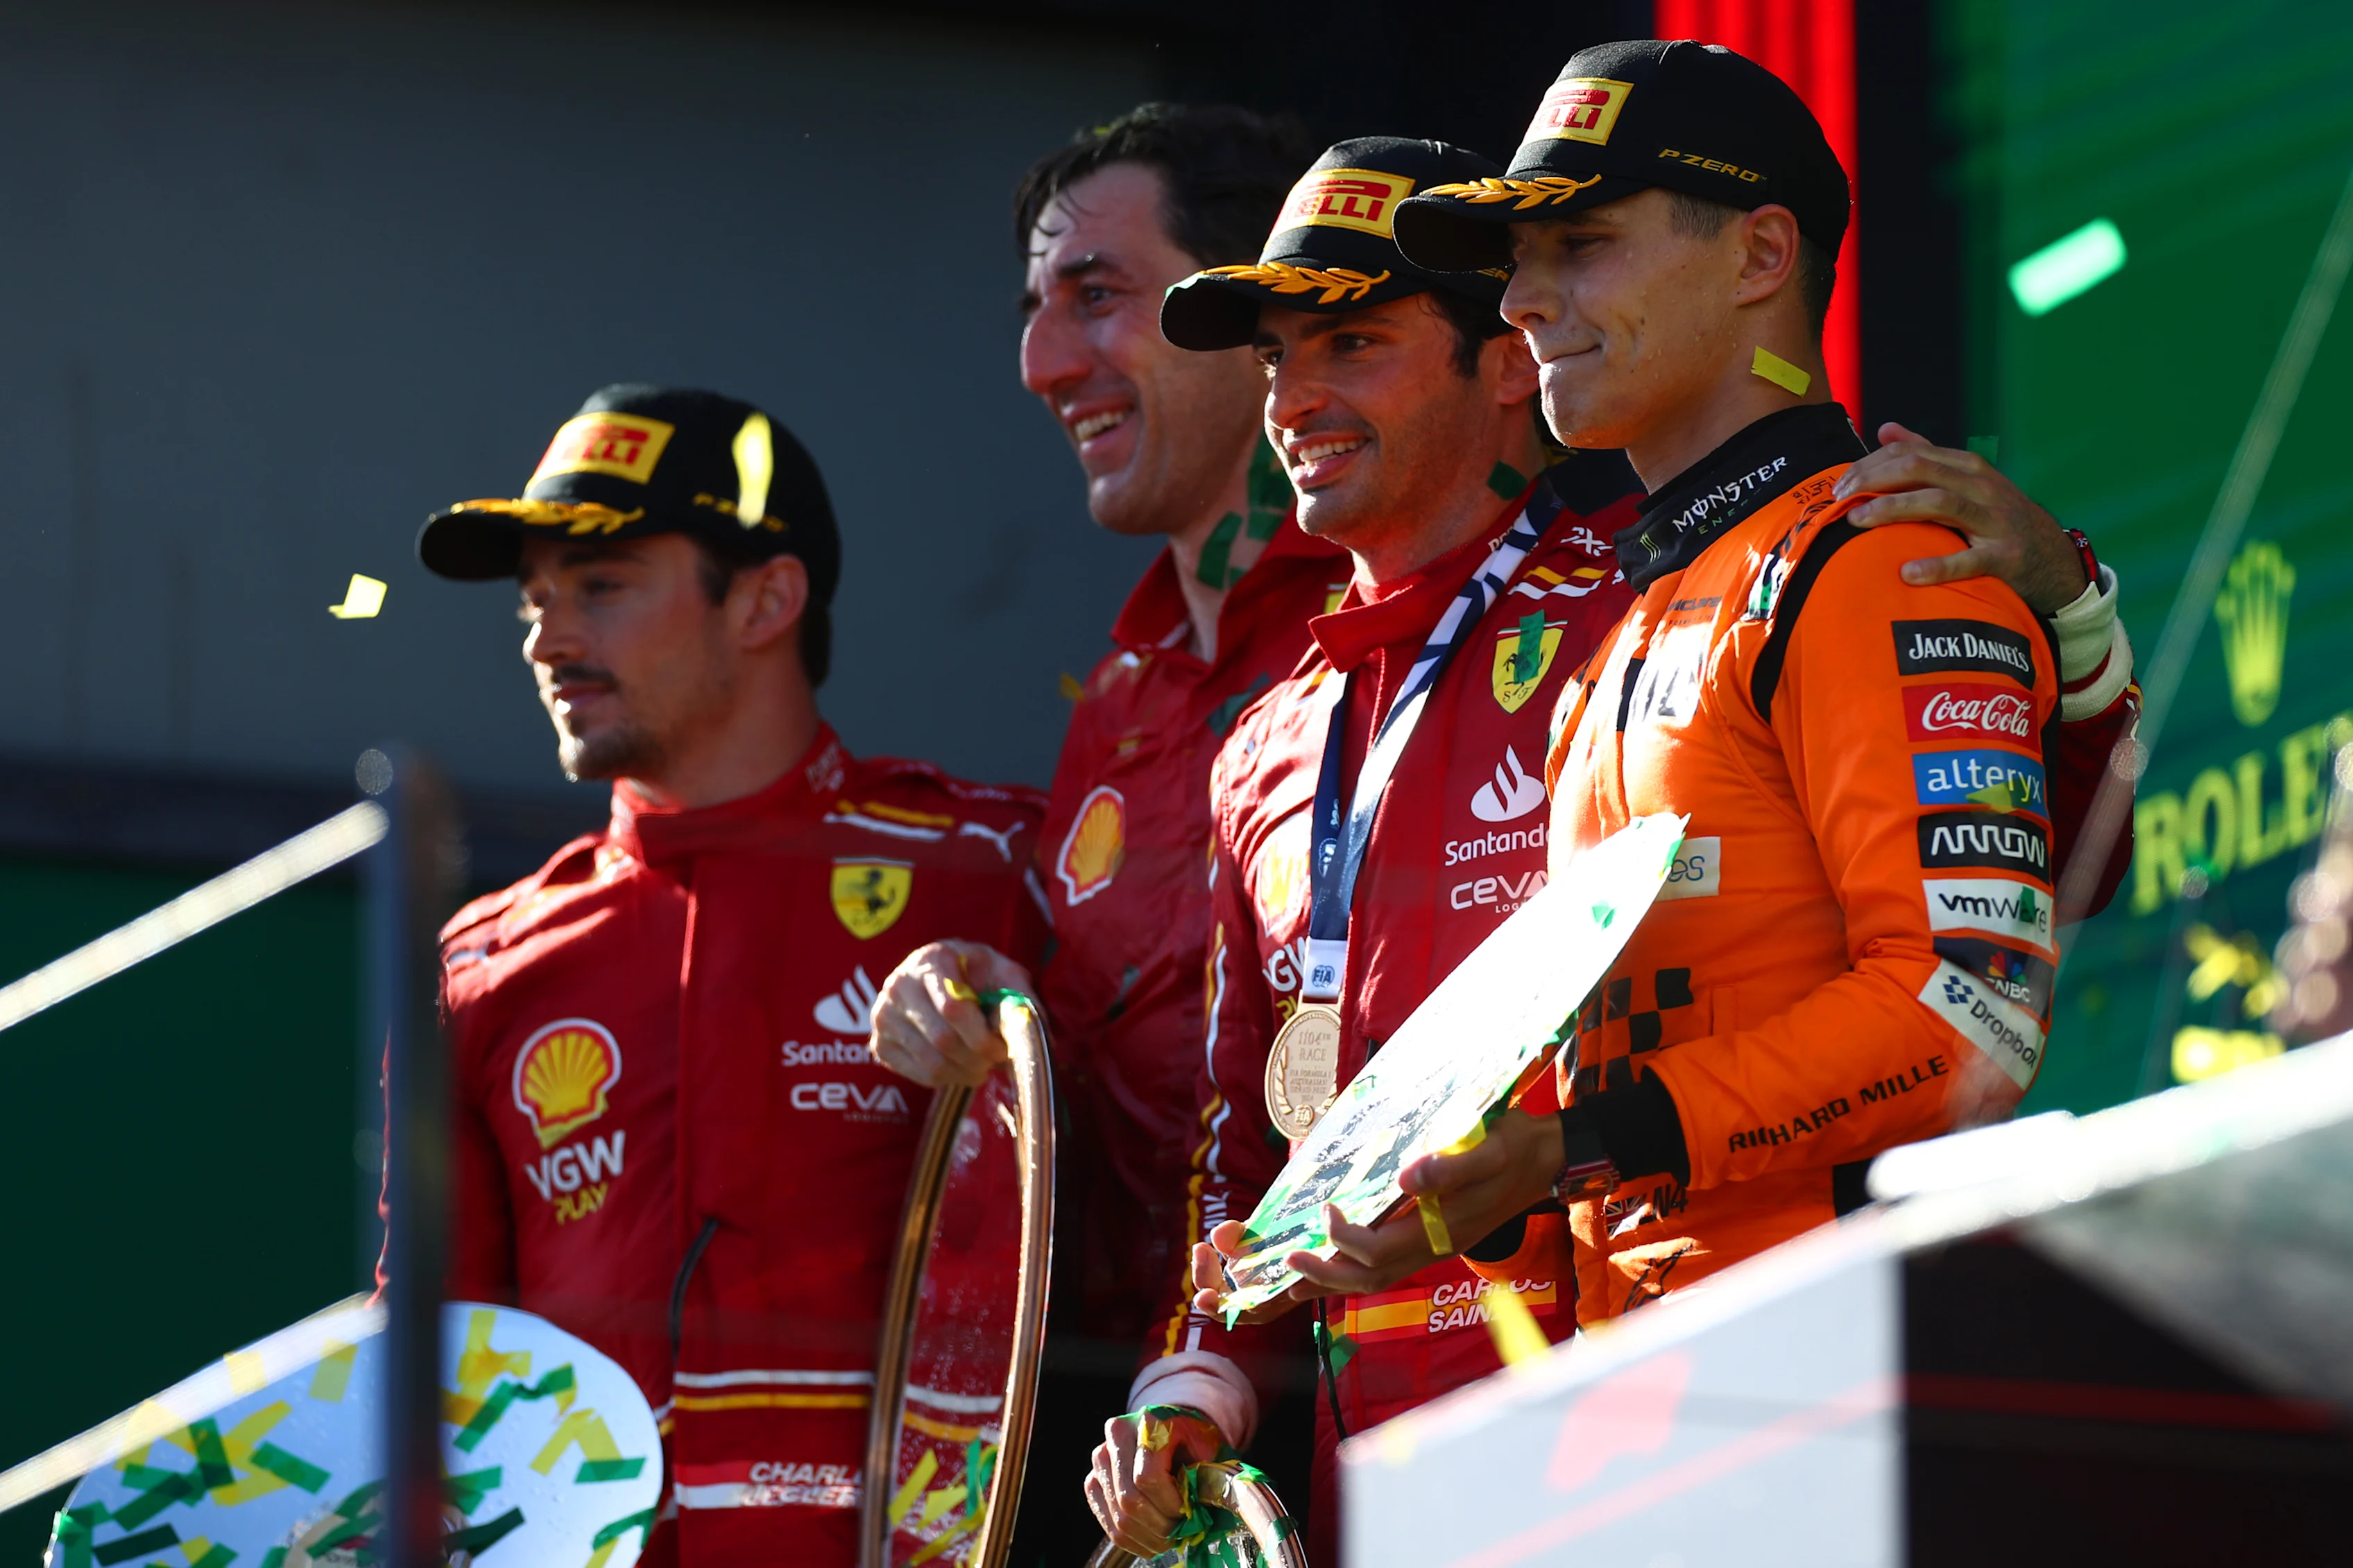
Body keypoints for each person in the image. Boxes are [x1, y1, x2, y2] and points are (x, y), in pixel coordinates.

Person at [1090, 119, 2139, 1561]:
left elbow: (1983, 970)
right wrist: (1205, 1365)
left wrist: (2073, 615)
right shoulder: (1580, 644)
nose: (1295, 395)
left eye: (1352, 338)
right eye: (1276, 353)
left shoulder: (1784, 568)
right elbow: (1263, 1130)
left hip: (1781, 1402)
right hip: (1547, 1428)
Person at [412, 384, 1046, 1565]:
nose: (548, 639)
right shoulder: (483, 963)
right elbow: (435, 1363)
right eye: (534, 601)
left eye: (600, 587)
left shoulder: (995, 870)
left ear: (767, 598)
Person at [863, 105, 1342, 1548]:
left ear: (1255, 305)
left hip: (1398, 1400)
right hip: (1162, 1460)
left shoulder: (1417, 612)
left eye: (1095, 296)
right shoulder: (1119, 698)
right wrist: (989, 1020)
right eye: (1034, 311)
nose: (1041, 363)